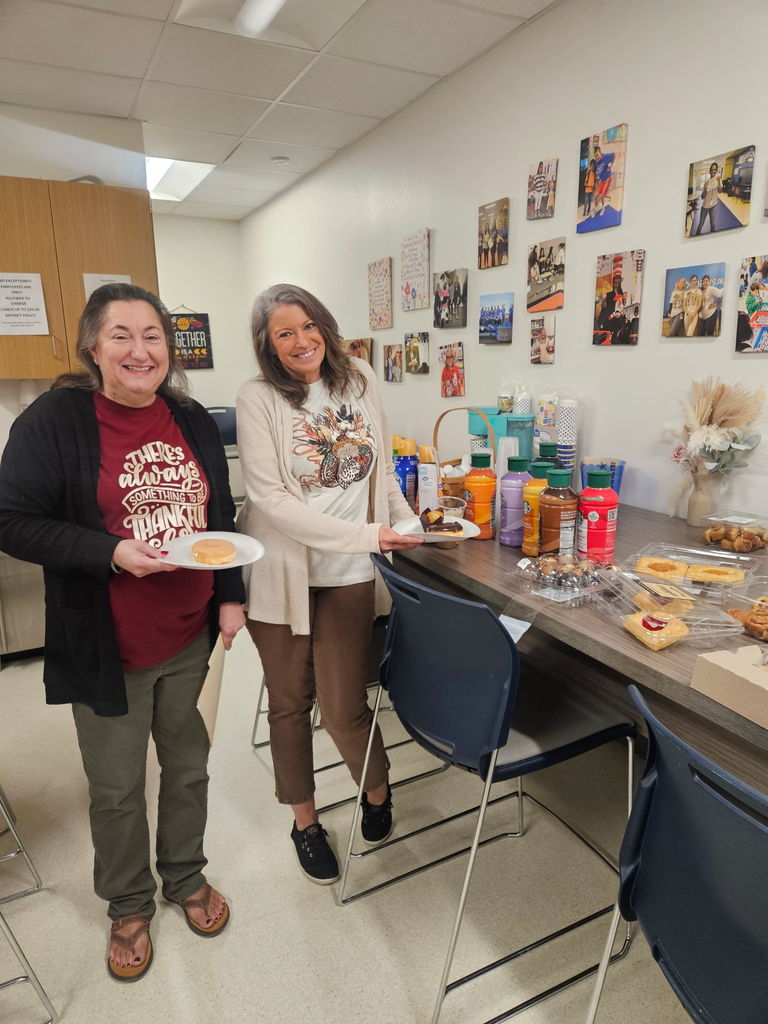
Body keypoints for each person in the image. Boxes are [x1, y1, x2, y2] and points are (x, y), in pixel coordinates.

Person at [0, 283, 245, 982]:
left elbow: (219, 512)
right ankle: (129, 905)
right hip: (109, 644)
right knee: (115, 788)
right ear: (92, 348)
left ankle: (185, 877)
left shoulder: (190, 416)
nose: (141, 351)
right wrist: (107, 551)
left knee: (189, 767)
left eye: (153, 336)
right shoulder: (55, 420)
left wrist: (229, 597)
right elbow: (11, 520)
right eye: (122, 336)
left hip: (191, 632)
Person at [235, 284, 423, 885]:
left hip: (347, 575)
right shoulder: (258, 398)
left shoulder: (360, 378)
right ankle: (305, 824)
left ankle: (376, 793)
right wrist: (371, 537)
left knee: (345, 707)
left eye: (308, 325)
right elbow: (271, 500)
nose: (301, 341)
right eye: (283, 333)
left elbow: (382, 466)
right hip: (281, 575)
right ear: (267, 345)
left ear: (325, 325)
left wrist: (404, 521)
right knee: (290, 707)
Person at [695, 162, 722, 235]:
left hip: (714, 205)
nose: (713, 171)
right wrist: (705, 189)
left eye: (715, 170)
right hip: (705, 206)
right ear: (710, 171)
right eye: (712, 170)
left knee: (713, 224)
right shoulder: (706, 182)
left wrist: (719, 182)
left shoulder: (718, 180)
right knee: (701, 224)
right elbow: (702, 197)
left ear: (716, 170)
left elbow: (720, 191)